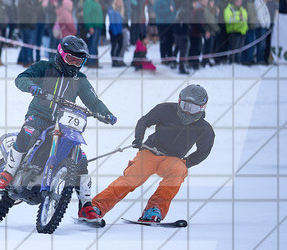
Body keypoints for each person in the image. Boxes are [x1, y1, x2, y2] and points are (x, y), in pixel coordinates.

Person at [0, 36, 117, 221]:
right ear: (60, 54)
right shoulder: (45, 67)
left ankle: (86, 206)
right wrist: (33, 87)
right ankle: (8, 173)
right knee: (29, 132)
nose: (74, 64)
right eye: (70, 59)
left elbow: (94, 101)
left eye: (78, 61)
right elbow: (22, 78)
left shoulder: (80, 80)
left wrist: (105, 113)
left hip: (64, 122)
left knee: (79, 158)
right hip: (40, 116)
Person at [88, 85, 214, 223]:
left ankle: (154, 209)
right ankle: (96, 207)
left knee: (179, 170)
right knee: (132, 179)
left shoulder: (205, 129)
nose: (188, 112)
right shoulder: (165, 109)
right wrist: (138, 139)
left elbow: (204, 151)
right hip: (150, 151)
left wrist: (186, 162)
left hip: (172, 160)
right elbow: (144, 121)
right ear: (179, 102)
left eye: (193, 108)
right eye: (185, 105)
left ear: (202, 108)